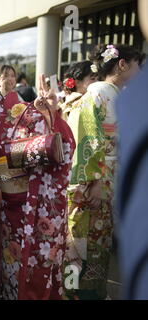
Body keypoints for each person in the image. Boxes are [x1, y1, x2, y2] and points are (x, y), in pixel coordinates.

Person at [0, 57, 76, 300]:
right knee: (8, 274)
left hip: (35, 207)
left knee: (34, 275)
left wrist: (52, 118)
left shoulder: (25, 112)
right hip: (2, 212)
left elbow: (61, 149)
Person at [65, 44, 144, 300]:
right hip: (94, 181)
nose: (139, 71)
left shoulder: (115, 93)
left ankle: (92, 292)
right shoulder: (98, 91)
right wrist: (94, 179)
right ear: (122, 65)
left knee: (99, 243)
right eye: (136, 65)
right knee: (84, 242)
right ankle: (76, 293)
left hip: (108, 177)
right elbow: (89, 136)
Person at [117, 0, 148, 300]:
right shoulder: (103, 94)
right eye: (138, 63)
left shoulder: (127, 98)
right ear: (123, 65)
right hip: (96, 186)